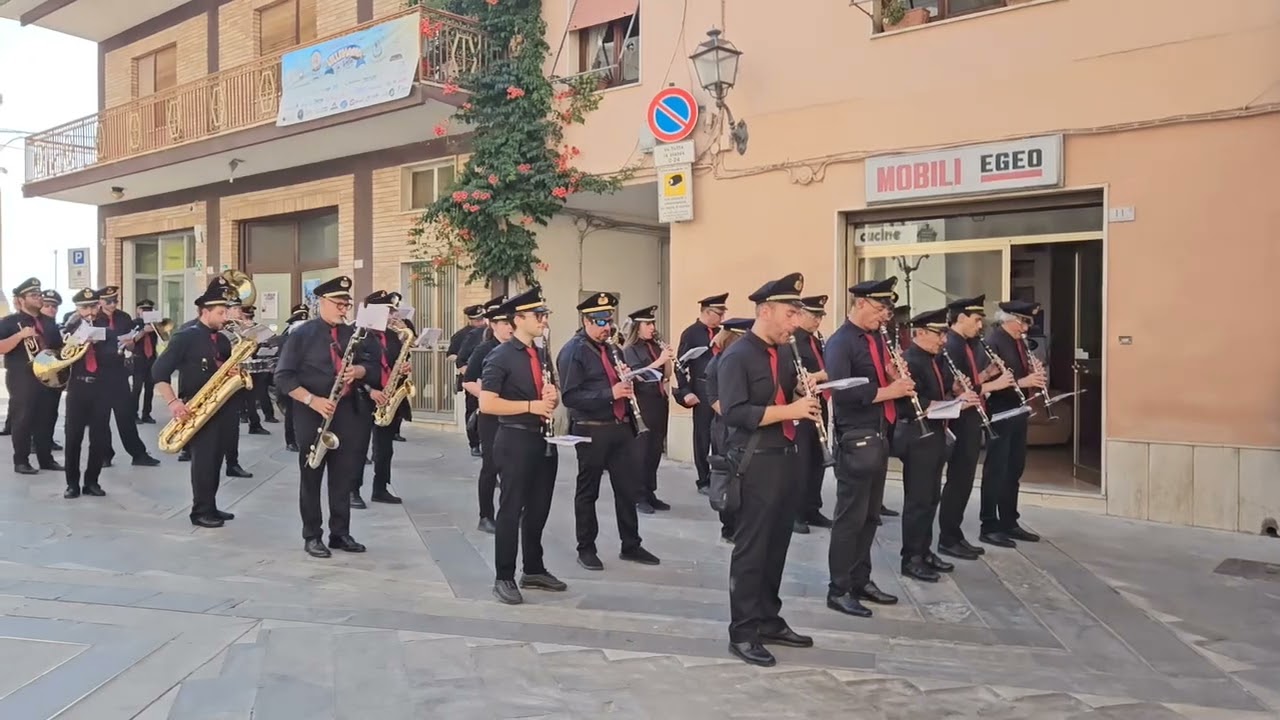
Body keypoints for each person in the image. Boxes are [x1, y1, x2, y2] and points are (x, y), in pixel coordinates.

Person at [718, 272, 819, 667]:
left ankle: (768, 619)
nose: (796, 322)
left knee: (777, 546)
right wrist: (790, 410)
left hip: (786, 457)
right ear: (765, 311)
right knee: (751, 550)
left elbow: (784, 396)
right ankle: (742, 632)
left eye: (797, 314)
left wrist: (801, 394)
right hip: (754, 462)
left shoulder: (783, 353)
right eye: (790, 313)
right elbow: (735, 413)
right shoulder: (738, 355)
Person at [823, 277, 914, 619]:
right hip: (855, 436)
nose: (884, 316)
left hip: (879, 433)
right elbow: (842, 393)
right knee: (851, 517)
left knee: (871, 515)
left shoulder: (877, 339)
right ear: (860, 304)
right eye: (879, 309)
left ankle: (861, 579)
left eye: (887, 310)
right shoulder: (841, 342)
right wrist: (891, 391)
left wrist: (894, 376)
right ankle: (839, 588)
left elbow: (881, 381)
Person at [274, 275, 379, 558]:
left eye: (347, 304)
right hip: (312, 413)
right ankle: (312, 535)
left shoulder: (355, 335)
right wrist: (312, 400)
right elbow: (283, 377)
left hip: (348, 412)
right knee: (311, 475)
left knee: (343, 476)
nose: (344, 309)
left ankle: (340, 533)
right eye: (338, 304)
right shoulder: (301, 335)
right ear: (321, 302)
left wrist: (358, 372)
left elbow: (373, 367)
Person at [556, 292, 660, 572]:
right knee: (588, 491)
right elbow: (570, 397)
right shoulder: (572, 351)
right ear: (585, 320)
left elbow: (618, 382)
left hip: (620, 428)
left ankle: (631, 544)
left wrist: (626, 378)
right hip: (591, 430)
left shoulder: (612, 348)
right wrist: (610, 393)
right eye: (600, 321)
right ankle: (586, 548)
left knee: (627, 489)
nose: (607, 327)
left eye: (609, 320)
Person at [479, 287, 568, 604]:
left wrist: (551, 397)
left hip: (543, 439)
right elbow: (488, 403)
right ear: (518, 319)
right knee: (511, 509)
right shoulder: (500, 355)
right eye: (538, 315)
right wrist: (531, 406)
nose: (543, 320)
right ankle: (504, 576)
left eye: (544, 315)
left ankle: (533, 568)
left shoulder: (541, 353)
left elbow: (553, 391)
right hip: (514, 438)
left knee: (539, 507)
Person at [894, 308, 982, 582]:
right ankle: (912, 558)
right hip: (917, 437)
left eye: (944, 333)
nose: (943, 339)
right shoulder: (910, 361)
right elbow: (911, 403)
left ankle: (925, 550)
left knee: (932, 497)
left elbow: (942, 391)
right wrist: (954, 404)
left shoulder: (937, 359)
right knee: (918, 500)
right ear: (919, 333)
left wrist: (956, 391)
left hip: (936, 436)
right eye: (938, 334)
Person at [152, 278, 241, 528]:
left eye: (226, 311)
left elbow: (220, 367)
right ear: (205, 311)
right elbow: (159, 372)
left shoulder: (222, 340)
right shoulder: (185, 337)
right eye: (221, 312)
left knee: (216, 460)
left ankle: (211, 505)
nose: (225, 317)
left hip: (222, 406)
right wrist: (173, 403)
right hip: (196, 408)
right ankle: (199, 511)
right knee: (203, 461)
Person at [938, 295, 1012, 560]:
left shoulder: (967, 344)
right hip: (959, 418)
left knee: (965, 480)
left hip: (971, 417)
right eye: (977, 319)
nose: (980, 326)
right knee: (958, 481)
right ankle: (948, 537)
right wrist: (994, 384)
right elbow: (957, 388)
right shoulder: (952, 345)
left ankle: (954, 534)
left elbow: (970, 380)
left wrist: (988, 375)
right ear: (961, 318)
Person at [978, 300, 1047, 548]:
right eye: (1022, 322)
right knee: (996, 469)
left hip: (1018, 411)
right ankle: (989, 524)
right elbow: (986, 383)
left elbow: (1020, 374)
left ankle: (1009, 521)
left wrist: (1034, 376)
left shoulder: (1018, 342)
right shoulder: (992, 343)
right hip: (1000, 410)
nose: (1025, 328)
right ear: (1008, 319)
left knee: (1014, 468)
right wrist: (1025, 379)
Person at [0, 277, 64, 474]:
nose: (39, 298)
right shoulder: (10, 322)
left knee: (47, 417)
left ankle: (46, 459)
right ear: (21, 299)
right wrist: (20, 336)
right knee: (23, 418)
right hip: (22, 377)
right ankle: (21, 461)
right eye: (33, 295)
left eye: (39, 294)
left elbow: (57, 349)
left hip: (48, 376)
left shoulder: (48, 322)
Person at [61, 288, 119, 499]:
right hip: (77, 387)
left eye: (93, 306)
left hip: (101, 387)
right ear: (77, 308)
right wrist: (75, 341)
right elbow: (61, 355)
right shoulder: (69, 327)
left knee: (99, 437)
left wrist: (98, 343)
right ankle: (72, 484)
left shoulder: (106, 329)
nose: (90, 312)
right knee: (73, 437)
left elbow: (114, 355)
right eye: (85, 307)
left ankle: (92, 481)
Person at [621, 305, 677, 514]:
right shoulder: (630, 350)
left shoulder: (654, 346)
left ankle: (650, 492)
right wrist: (660, 360)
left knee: (655, 450)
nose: (652, 327)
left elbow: (666, 375)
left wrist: (669, 359)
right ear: (638, 326)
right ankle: (638, 495)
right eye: (648, 324)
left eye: (653, 323)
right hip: (643, 403)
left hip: (659, 401)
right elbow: (639, 374)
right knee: (641, 452)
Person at [98, 286, 161, 468]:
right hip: (100, 372)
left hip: (119, 370)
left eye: (115, 301)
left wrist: (130, 343)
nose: (112, 304)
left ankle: (138, 454)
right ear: (100, 301)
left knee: (125, 415)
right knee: (101, 418)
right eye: (108, 301)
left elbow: (133, 345)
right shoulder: (94, 318)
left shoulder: (123, 317)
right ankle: (104, 454)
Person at [461, 294, 509, 533]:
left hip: (514, 415)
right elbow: (467, 380)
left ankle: (509, 511)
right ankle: (485, 515)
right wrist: (487, 396)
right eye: (505, 323)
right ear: (493, 325)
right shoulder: (485, 348)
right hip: (490, 416)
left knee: (512, 466)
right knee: (491, 465)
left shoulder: (517, 348)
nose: (510, 327)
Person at [704, 317, 752, 543]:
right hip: (725, 428)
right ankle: (729, 526)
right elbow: (714, 399)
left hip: (741, 427)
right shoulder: (717, 363)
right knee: (728, 475)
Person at [356, 290, 405, 506]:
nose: (392, 315)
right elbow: (348, 369)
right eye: (388, 310)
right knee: (358, 447)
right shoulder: (359, 336)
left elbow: (398, 361)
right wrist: (370, 390)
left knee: (385, 449)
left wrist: (404, 367)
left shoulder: (392, 336)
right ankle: (352, 491)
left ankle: (380, 488)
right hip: (364, 397)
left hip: (388, 397)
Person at [675, 293, 727, 494]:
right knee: (703, 436)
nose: (722, 317)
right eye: (718, 313)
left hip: (721, 388)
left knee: (721, 435)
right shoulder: (691, 333)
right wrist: (686, 391)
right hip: (702, 388)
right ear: (706, 312)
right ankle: (703, 479)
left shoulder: (723, 332)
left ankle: (720, 476)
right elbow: (680, 365)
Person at [790, 294, 833, 534]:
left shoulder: (816, 341)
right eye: (814, 315)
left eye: (820, 316)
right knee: (801, 461)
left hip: (819, 403)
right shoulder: (793, 341)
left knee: (818, 459)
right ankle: (795, 512)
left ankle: (812, 508)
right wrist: (821, 376)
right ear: (801, 314)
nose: (818, 321)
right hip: (800, 405)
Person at [447, 304, 487, 456]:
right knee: (472, 412)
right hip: (472, 380)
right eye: (477, 320)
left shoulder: (487, 332)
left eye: (482, 319)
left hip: (486, 379)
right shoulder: (462, 335)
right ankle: (474, 443)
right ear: (470, 320)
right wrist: (471, 372)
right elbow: (452, 356)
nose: (480, 322)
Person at [277, 303, 310, 452]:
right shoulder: (286, 337)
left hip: (307, 379)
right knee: (291, 411)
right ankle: (290, 440)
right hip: (292, 379)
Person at [39, 289, 65, 453]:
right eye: (47, 305)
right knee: (40, 411)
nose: (51, 309)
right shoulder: (37, 324)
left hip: (54, 373)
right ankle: (37, 441)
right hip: (40, 372)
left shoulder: (53, 325)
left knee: (51, 410)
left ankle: (47, 439)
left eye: (54, 306)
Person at [131, 299, 159, 423]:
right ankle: (133, 414)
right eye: (144, 310)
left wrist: (157, 327)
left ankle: (146, 414)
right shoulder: (134, 323)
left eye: (149, 310)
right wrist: (143, 331)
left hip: (151, 359)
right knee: (137, 388)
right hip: (138, 359)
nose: (146, 312)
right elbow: (131, 341)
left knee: (150, 388)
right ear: (138, 311)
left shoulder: (155, 324)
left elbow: (164, 337)